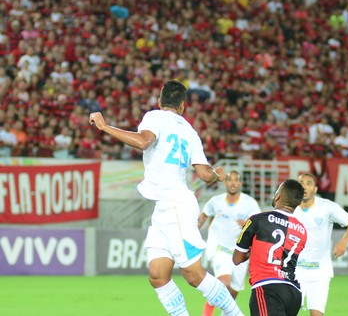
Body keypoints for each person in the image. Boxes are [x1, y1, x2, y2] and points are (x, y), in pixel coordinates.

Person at [89, 80, 243, 316]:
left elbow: (143, 141)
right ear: (182, 106)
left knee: (193, 275)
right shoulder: (190, 132)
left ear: (160, 102)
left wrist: (105, 127)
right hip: (165, 207)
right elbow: (203, 173)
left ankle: (236, 314)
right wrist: (216, 174)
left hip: (176, 205)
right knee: (158, 276)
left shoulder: (154, 116)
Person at [234, 179, 307, 316]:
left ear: (278, 195)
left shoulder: (257, 220)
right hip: (293, 293)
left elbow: (237, 258)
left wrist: (253, 249)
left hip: (268, 288)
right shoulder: (302, 230)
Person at [294, 173, 348, 316]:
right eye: (301, 183)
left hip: (320, 271)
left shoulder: (326, 207)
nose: (304, 186)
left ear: (315, 189)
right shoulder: (289, 208)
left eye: (309, 183)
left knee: (317, 314)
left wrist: (344, 241)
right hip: (294, 271)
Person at [199, 170, 261, 316]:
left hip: (240, 253)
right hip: (220, 249)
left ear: (240, 183)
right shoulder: (216, 201)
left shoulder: (249, 203)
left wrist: (247, 224)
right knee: (224, 284)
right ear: (225, 183)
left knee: (232, 293)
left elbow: (259, 225)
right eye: (229, 180)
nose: (232, 182)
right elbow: (202, 217)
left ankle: (219, 309)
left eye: (236, 180)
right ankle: (209, 305)